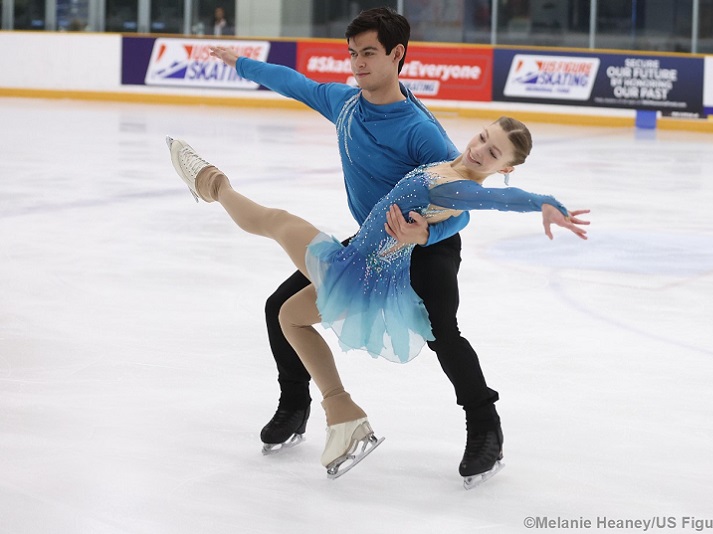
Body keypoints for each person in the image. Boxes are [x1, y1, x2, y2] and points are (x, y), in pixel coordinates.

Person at [166, 116, 589, 480]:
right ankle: (342, 412)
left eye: (493, 153)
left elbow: (499, 200)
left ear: (506, 166)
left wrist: (545, 203)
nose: (480, 150)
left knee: (273, 221)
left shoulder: (460, 191)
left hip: (360, 274)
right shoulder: (446, 166)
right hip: (360, 264)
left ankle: (210, 181)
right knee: (290, 314)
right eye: (482, 138)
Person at [208, 7, 518, 484]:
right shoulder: (345, 104)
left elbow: (462, 208)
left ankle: (485, 426)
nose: (357, 63)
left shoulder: (421, 132)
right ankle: (295, 407)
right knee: (280, 308)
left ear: (397, 55)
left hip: (428, 246)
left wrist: (424, 234)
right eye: (352, 53)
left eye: (369, 53)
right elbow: (293, 82)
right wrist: (240, 63)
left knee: (442, 333)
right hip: (375, 240)